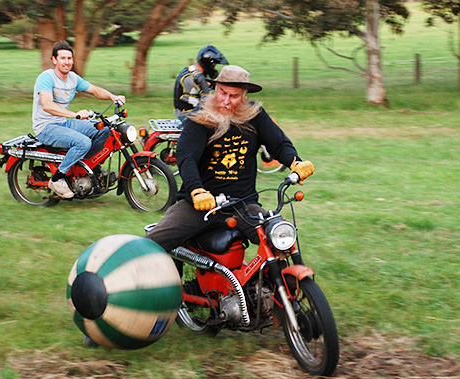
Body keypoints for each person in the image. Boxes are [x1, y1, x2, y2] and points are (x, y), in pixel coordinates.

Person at [147, 65, 315, 253]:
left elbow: (279, 144)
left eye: (233, 96)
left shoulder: (255, 115)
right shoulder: (200, 117)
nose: (225, 101)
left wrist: (295, 161)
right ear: (215, 89)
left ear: (244, 96)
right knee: (149, 245)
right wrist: (196, 190)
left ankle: (278, 280)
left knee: (280, 239)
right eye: (222, 93)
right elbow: (187, 157)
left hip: (243, 205)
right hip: (198, 205)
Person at [32, 41, 126, 199]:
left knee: (102, 130)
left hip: (63, 122)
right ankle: (57, 179)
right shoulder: (46, 78)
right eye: (62, 58)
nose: (67, 61)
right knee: (83, 142)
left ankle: (89, 169)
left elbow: (95, 90)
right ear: (54, 60)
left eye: (69, 58)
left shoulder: (72, 78)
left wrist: (112, 96)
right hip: (46, 127)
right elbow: (47, 105)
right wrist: (75, 115)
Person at [173, 45, 228, 122]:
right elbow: (209, 100)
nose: (214, 68)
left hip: (182, 112)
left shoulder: (190, 70)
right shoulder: (199, 78)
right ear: (208, 64)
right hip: (189, 116)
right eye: (214, 65)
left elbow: (207, 84)